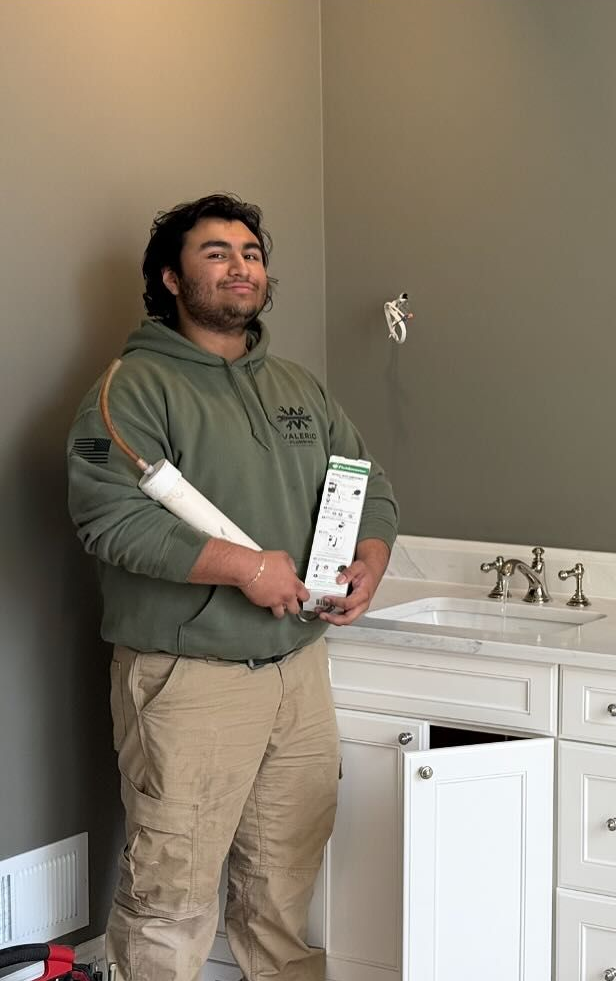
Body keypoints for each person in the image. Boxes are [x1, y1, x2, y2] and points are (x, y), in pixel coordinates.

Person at [66, 193, 399, 981]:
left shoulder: (297, 387)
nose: (240, 265)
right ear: (171, 279)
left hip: (298, 676)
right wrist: (245, 567)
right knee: (167, 901)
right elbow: (107, 517)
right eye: (215, 252)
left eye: (250, 252)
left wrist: (370, 557)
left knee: (283, 893)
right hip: (189, 680)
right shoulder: (133, 388)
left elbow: (364, 479)